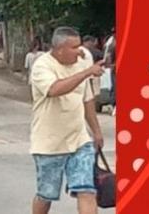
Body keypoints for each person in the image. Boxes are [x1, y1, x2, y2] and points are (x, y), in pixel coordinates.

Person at [30, 27, 105, 214]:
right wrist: (86, 73)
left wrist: (96, 131)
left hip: (79, 140)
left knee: (87, 190)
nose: (80, 51)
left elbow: (87, 99)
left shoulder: (82, 61)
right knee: (46, 194)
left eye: (80, 45)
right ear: (59, 49)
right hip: (49, 144)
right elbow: (55, 89)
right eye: (74, 47)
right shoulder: (42, 66)